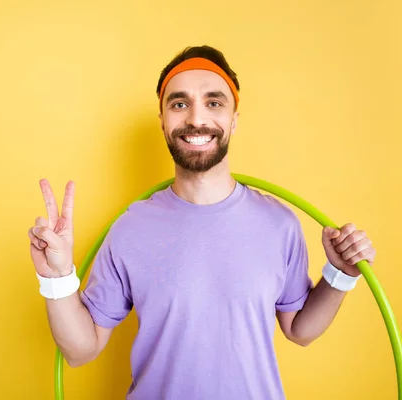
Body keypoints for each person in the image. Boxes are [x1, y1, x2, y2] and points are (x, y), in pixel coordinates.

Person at [28, 45, 376, 400]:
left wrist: (339, 275)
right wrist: (56, 278)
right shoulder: (130, 228)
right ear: (162, 120)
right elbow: (80, 350)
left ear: (234, 119)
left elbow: (300, 330)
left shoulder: (279, 224)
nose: (196, 119)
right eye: (179, 103)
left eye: (214, 102)